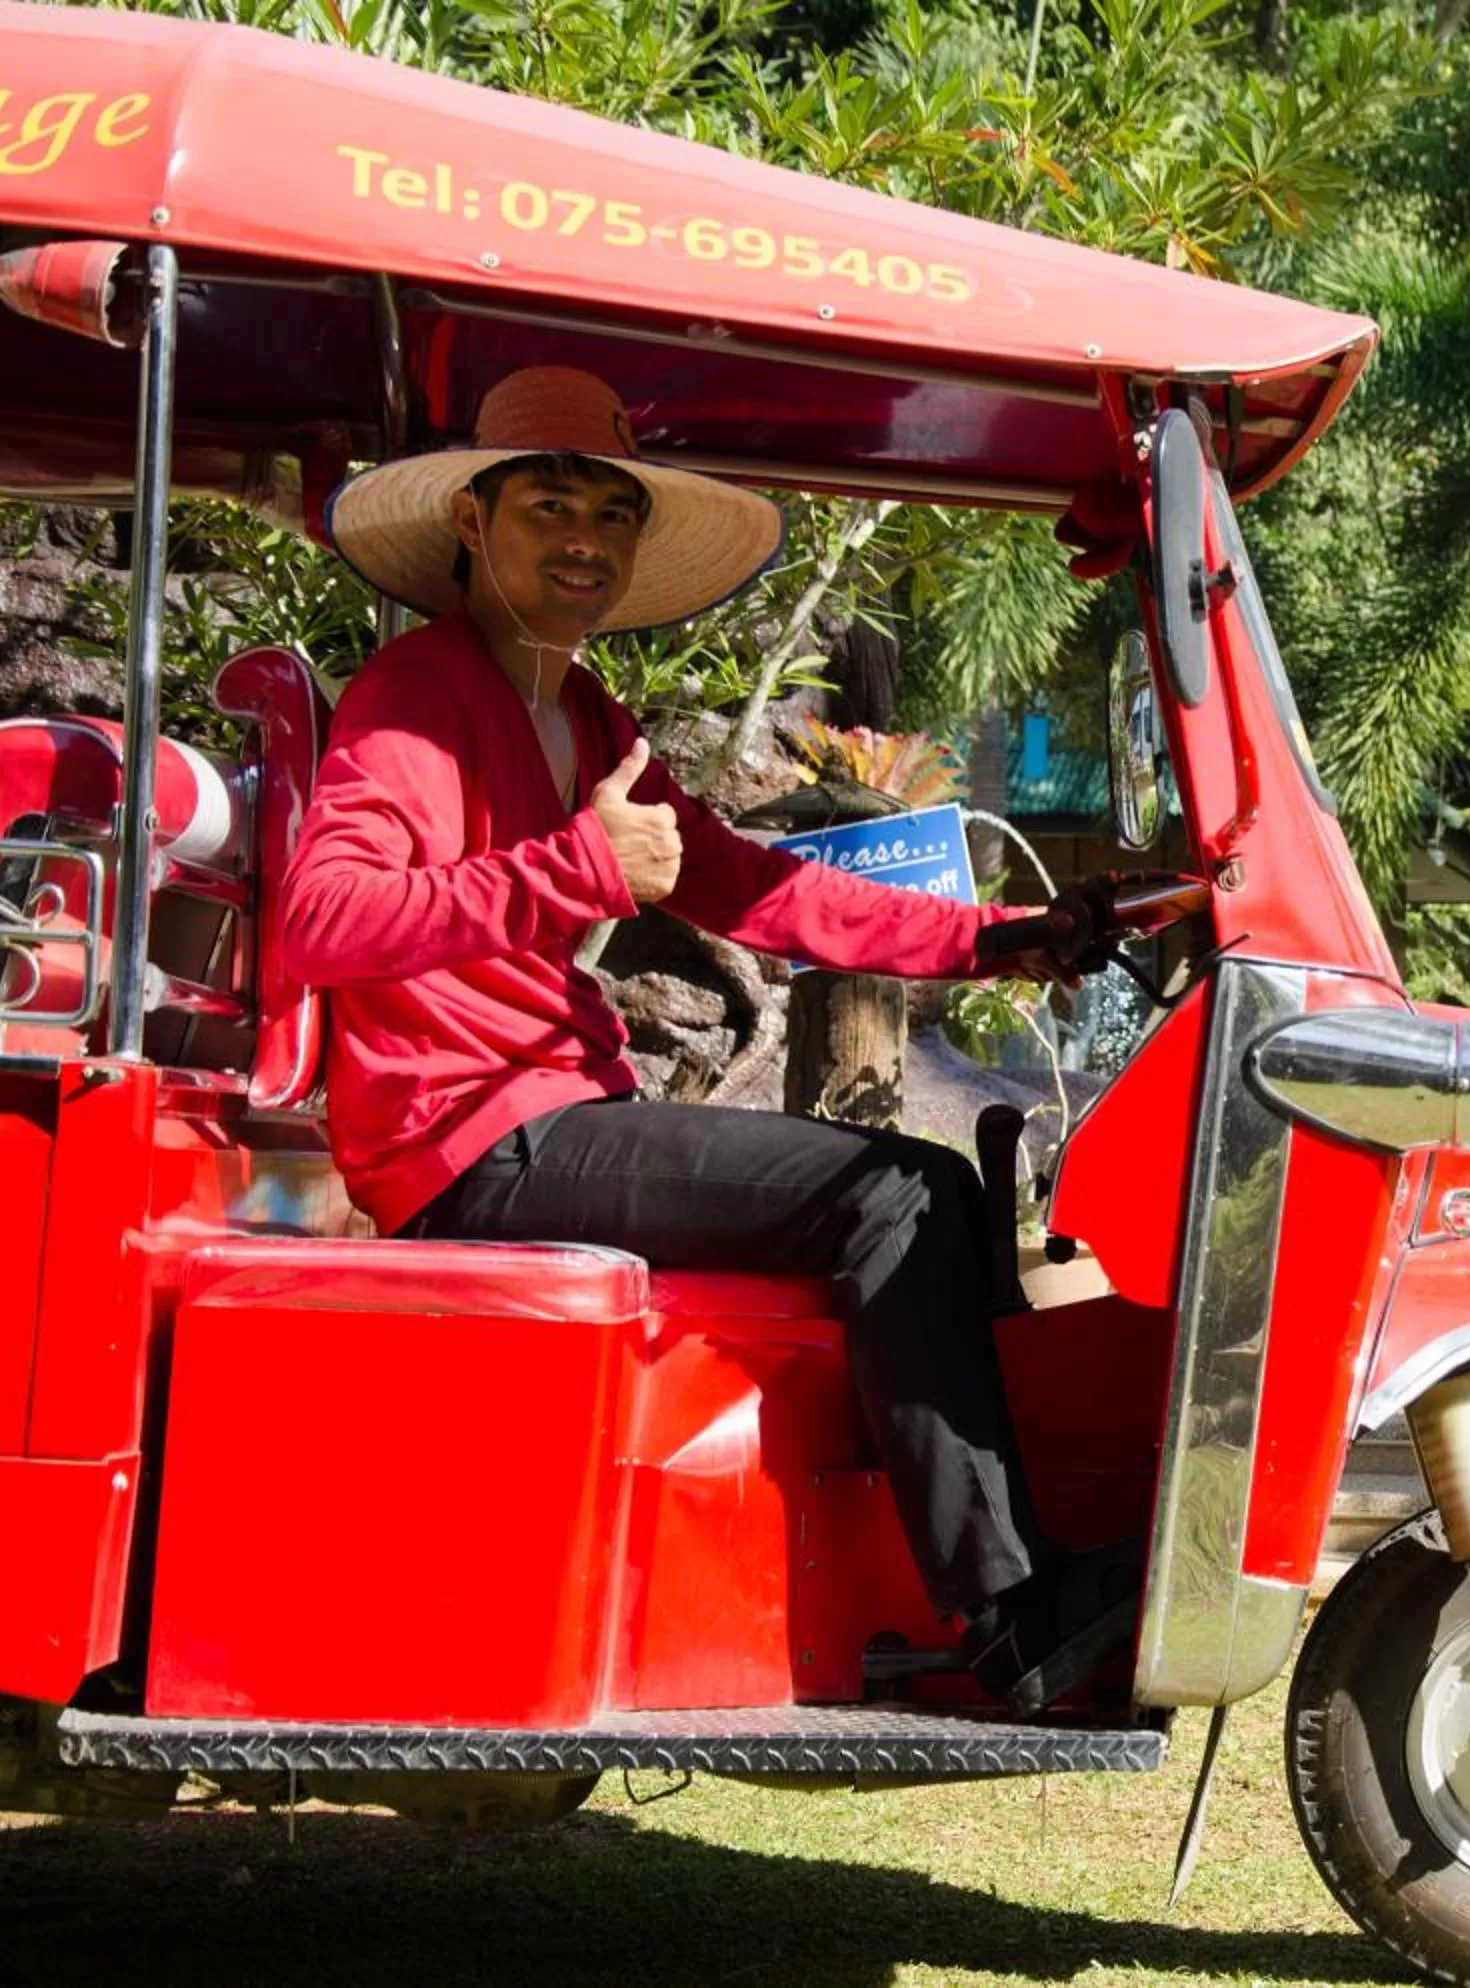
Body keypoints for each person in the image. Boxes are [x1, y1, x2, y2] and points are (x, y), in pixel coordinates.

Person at [283, 366, 1122, 1708]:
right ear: (472, 527)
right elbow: (320, 922)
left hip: (554, 1110)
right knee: (894, 1197)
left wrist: (992, 940)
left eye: (611, 515)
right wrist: (570, 867)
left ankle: (937, 1582)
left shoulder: (583, 712)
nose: (583, 541)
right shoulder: (412, 700)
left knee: (948, 1193)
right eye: (547, 505)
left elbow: (746, 885)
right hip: (466, 1149)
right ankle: (1009, 1617)